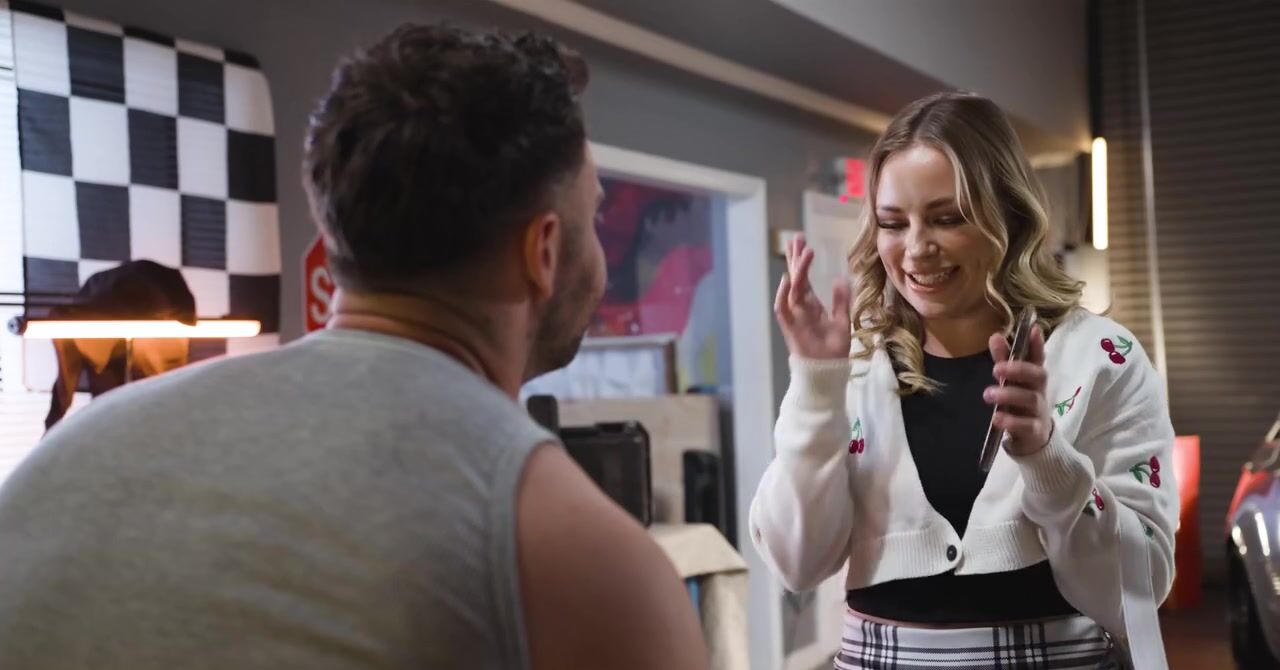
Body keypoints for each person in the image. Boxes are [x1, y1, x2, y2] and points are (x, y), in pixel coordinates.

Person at [0, 24, 706, 670]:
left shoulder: (68, 459)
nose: (601, 259)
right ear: (543, 252)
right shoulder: (580, 560)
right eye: (593, 217)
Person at [751, 92, 1178, 669]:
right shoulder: (854, 367)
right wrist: (815, 388)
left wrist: (1047, 457)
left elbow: (1141, 586)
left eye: (948, 218)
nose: (916, 249)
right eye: (892, 223)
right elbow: (795, 563)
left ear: (1010, 215)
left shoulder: (1101, 359)